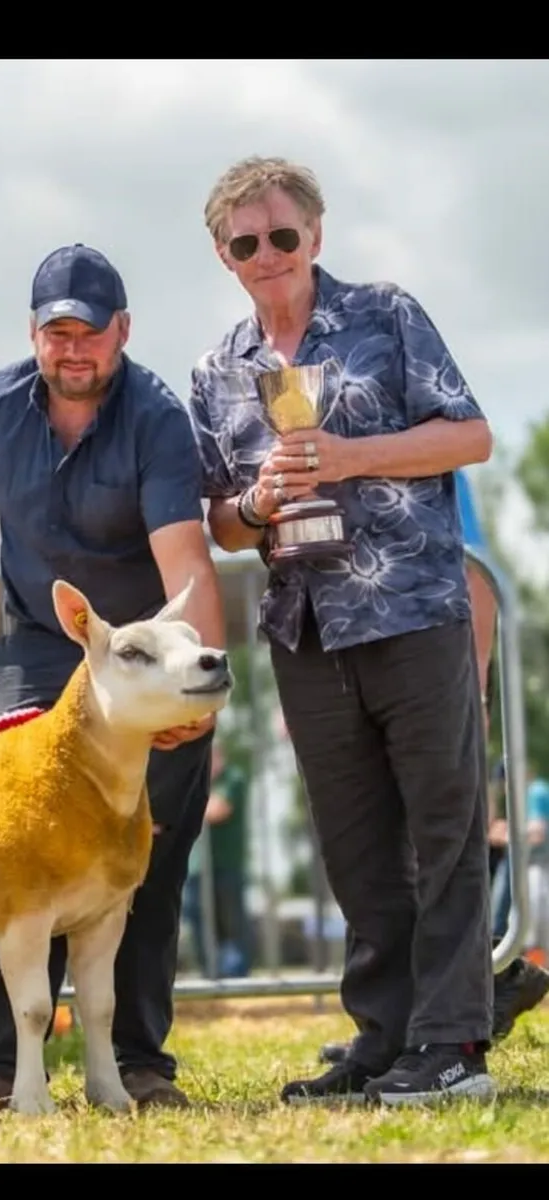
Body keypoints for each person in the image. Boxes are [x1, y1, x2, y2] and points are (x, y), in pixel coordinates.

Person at [188, 155, 497, 1106]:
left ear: (314, 236)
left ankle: (452, 1049)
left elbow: (468, 435)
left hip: (412, 612)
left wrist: (351, 456)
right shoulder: (214, 371)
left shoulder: (389, 313)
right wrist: (255, 499)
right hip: (304, 628)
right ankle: (386, 1036)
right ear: (224, 256)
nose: (268, 253)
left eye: (283, 234)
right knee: (355, 846)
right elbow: (221, 525)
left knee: (443, 832)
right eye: (247, 242)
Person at [0, 242, 226, 1111]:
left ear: (121, 332)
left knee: (150, 858)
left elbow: (186, 564)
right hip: (35, 654)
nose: (72, 350)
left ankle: (137, 1062)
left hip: (144, 659)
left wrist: (189, 696)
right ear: (33, 334)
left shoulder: (158, 416)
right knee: (12, 851)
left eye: (88, 333)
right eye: (55, 333)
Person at [317, 478, 549, 1065]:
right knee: (377, 856)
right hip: (350, 674)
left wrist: (473, 684)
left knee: (433, 848)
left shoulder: (430, 445)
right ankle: (404, 1021)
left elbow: (475, 570)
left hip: (427, 671)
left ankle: (470, 1003)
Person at [182, 741, 250, 978]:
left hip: (226, 865)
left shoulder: (233, 778)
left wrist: (185, 804)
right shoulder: (196, 781)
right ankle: (209, 972)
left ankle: (235, 977)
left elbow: (218, 810)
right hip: (196, 868)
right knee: (197, 920)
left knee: (231, 925)